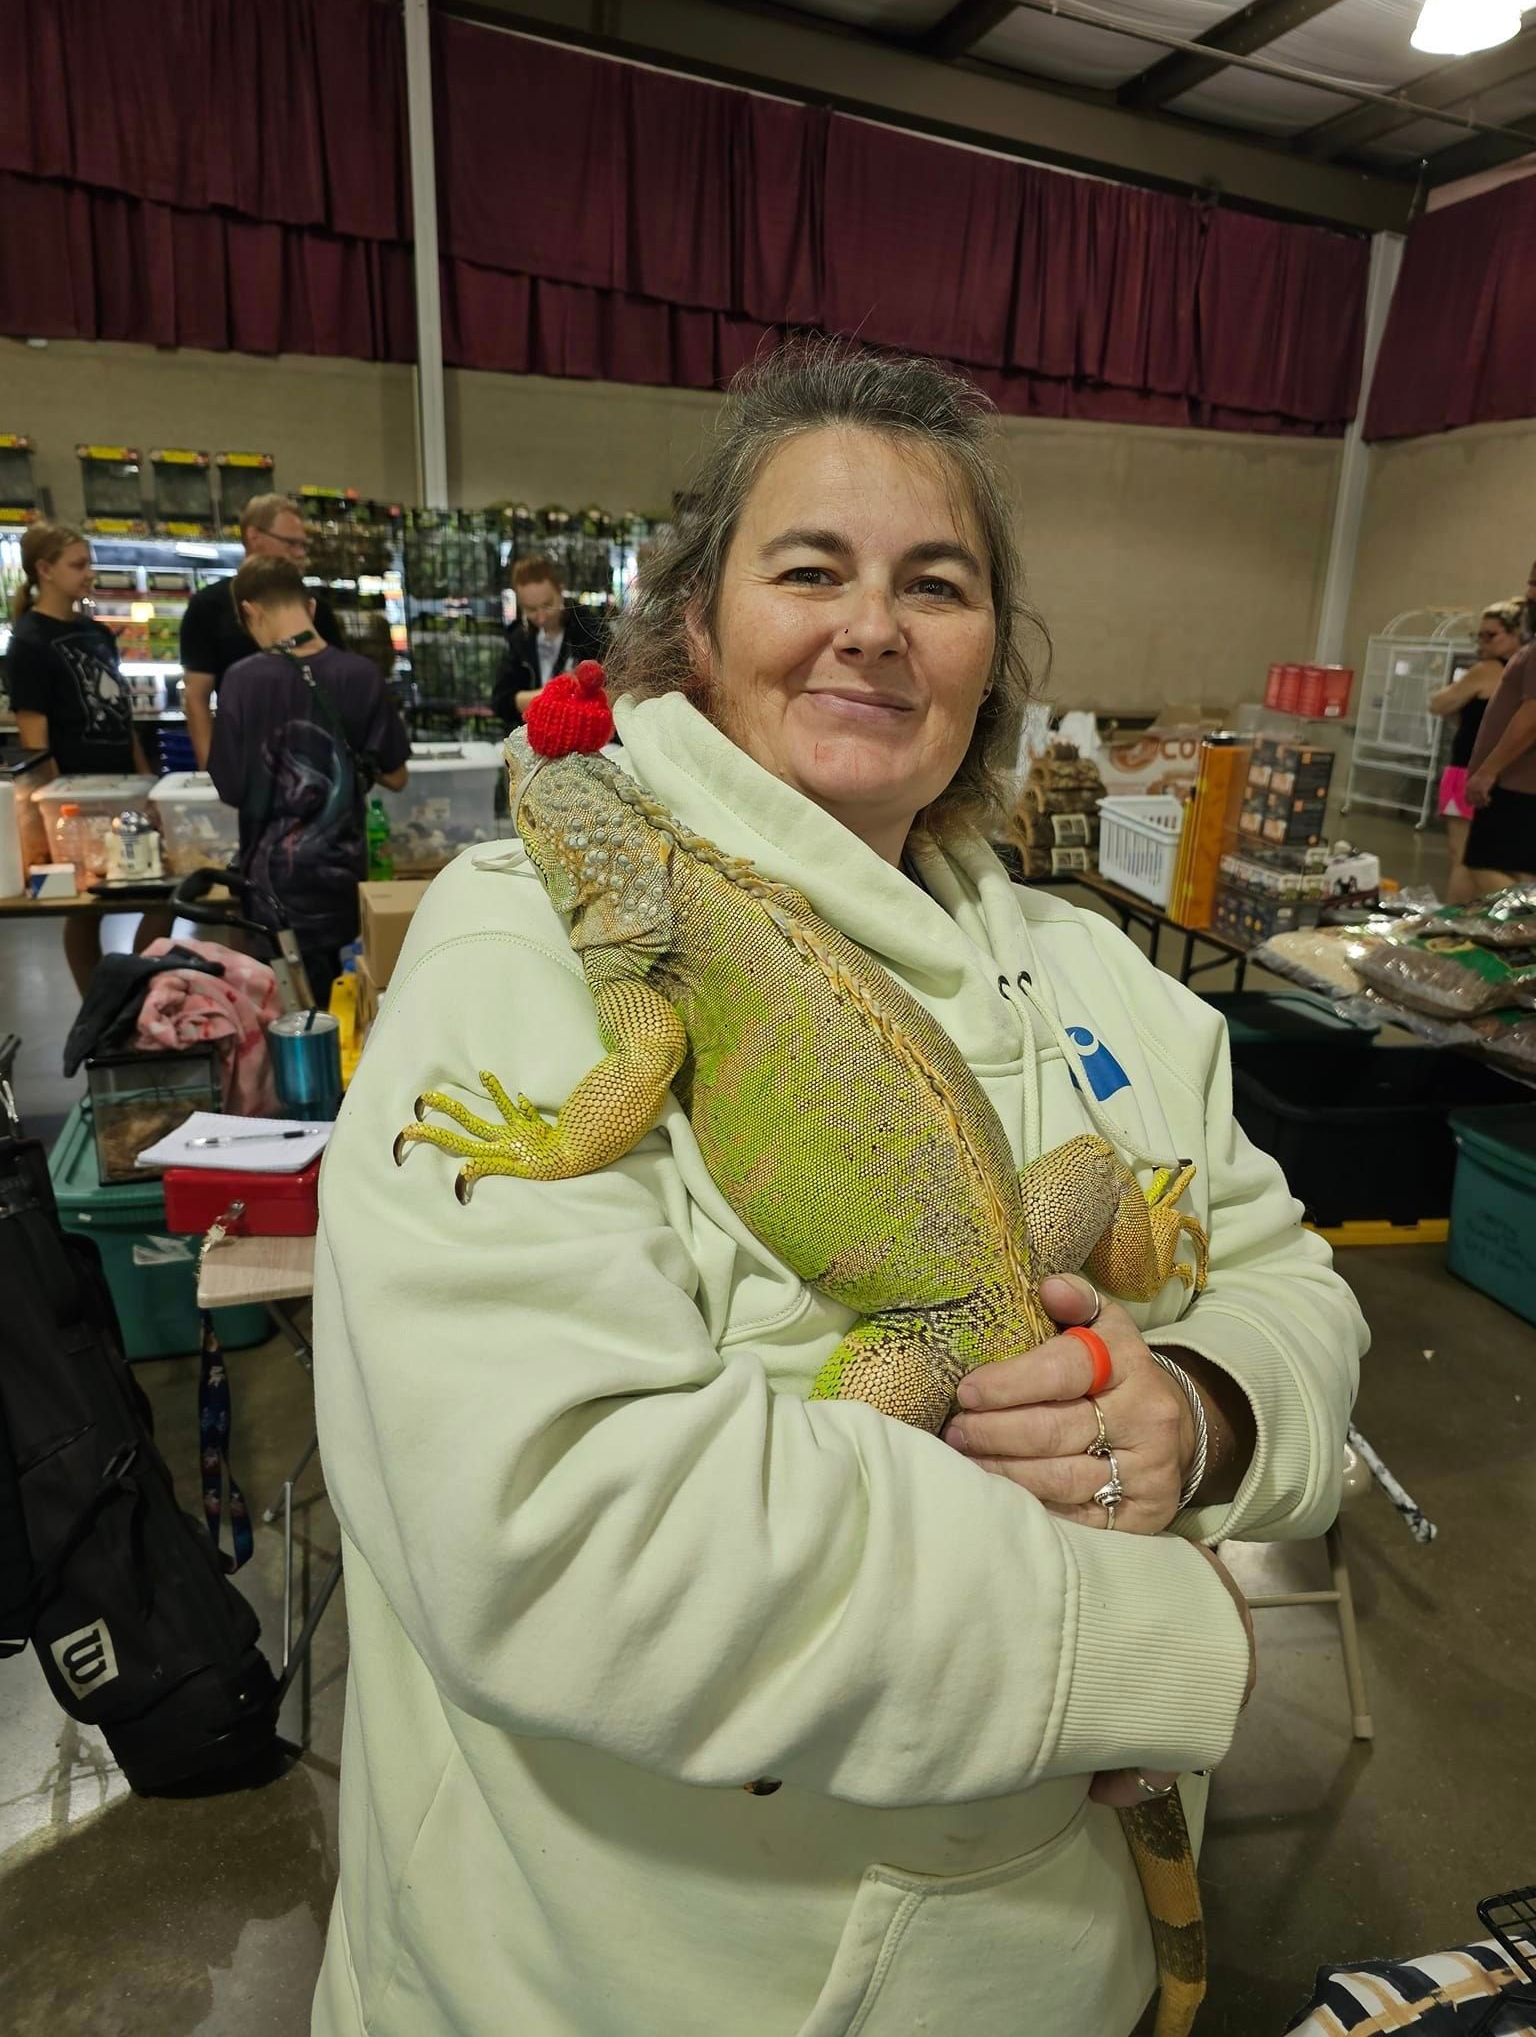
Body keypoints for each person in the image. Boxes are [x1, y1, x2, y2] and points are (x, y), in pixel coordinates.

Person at [311, 346, 1366, 2037]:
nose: (872, 625)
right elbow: (563, 1534)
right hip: (611, 1985)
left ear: (988, 659)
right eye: (810, 570)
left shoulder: (1095, 969)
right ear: (696, 630)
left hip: (1052, 1968)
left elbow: (1292, 1288)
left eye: (934, 585)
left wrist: (1201, 1405)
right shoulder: (521, 937)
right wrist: (1139, 1650)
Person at [207, 557, 409, 1008]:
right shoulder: (361, 675)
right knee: (349, 1006)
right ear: (311, 608)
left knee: (289, 1014)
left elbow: (230, 788)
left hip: (269, 888)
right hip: (341, 882)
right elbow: (396, 776)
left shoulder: (240, 681)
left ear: (251, 612)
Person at [3, 520, 171, 992]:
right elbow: (35, 738)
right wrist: (56, 810)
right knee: (87, 906)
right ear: (45, 570)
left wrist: (146, 779)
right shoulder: (29, 643)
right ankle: (98, 1003)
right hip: (76, 794)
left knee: (161, 891)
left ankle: (135, 989)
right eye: (78, 565)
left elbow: (121, 715)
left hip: (124, 784)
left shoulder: (97, 634)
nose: (89, 573)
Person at [180, 494, 345, 768]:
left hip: (311, 757)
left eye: (303, 545)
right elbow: (196, 697)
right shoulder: (207, 607)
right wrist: (211, 769)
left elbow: (338, 689)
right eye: (291, 543)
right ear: (254, 536)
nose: (300, 553)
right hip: (243, 759)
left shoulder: (317, 608)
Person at [1429, 596, 1523, 902]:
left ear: (1516, 634)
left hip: (1466, 772)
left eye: (1491, 635)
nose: (1483, 643)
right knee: (1500, 859)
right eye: (1478, 636)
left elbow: (1439, 703)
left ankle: (1519, 912)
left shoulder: (1488, 670)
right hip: (1507, 776)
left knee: (1464, 857)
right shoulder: (1523, 672)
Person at [1464, 556, 1536, 894]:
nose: (1529, 592)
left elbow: (1532, 716)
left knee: (1485, 866)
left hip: (1515, 784)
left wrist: (1488, 771)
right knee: (1519, 873)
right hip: (1517, 783)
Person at [491, 556, 606, 726]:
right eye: (531, 609)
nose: (541, 617)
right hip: (531, 733)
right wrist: (553, 694)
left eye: (547, 605)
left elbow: (612, 688)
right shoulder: (519, 637)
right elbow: (501, 701)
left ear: (560, 591)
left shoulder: (589, 629)